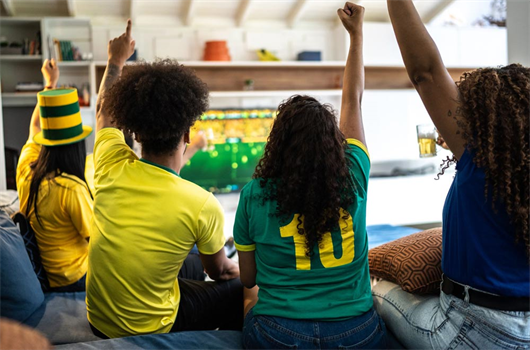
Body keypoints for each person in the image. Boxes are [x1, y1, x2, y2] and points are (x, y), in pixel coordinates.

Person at [371, 0, 530, 349]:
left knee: (376, 288)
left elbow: (424, 71)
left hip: (468, 330)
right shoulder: (511, 169)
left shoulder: (479, 160)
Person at [234, 3, 387, 349]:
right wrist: (356, 34)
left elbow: (248, 277)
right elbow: (353, 100)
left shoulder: (253, 194)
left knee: (247, 304)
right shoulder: (355, 174)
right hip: (357, 333)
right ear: (335, 144)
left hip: (278, 333)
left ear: (277, 145)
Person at [86, 20, 242, 339]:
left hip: (97, 319)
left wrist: (116, 59)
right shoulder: (201, 203)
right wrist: (254, 271)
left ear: (137, 133)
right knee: (239, 287)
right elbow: (221, 271)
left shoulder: (110, 162)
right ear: (187, 132)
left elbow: (103, 111)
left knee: (193, 261)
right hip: (148, 328)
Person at [16, 59, 93, 293]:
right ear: (77, 146)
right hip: (74, 277)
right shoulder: (70, 189)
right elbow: (100, 240)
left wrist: (50, 84)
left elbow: (35, 127)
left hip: (46, 273)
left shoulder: (26, 168)